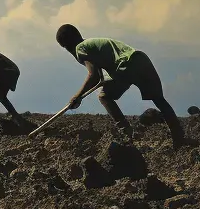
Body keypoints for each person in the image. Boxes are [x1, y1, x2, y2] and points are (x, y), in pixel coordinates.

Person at [55, 24, 190, 149]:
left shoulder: (80, 48)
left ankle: (126, 133)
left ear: (66, 45)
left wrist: (77, 96)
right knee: (160, 100)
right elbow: (101, 77)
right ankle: (180, 139)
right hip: (140, 59)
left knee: (104, 96)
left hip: (125, 67)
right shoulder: (92, 44)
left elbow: (93, 75)